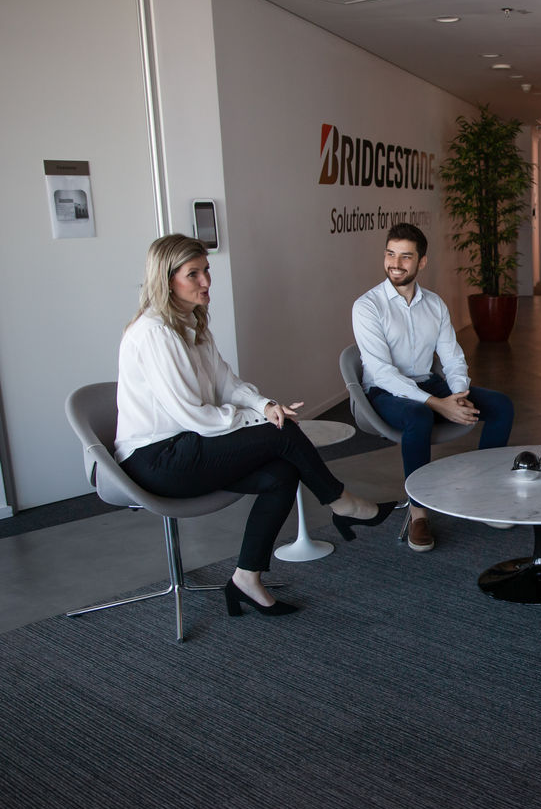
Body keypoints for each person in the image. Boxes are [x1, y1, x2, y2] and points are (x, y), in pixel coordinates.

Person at [116, 235, 394, 618]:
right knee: (281, 434)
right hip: (156, 459)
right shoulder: (154, 333)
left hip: (188, 447)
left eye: (206, 271)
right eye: (193, 274)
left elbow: (226, 383)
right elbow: (193, 415)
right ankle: (342, 502)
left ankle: (246, 578)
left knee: (281, 473)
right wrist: (260, 419)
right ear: (166, 280)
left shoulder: (191, 325)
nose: (205, 282)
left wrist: (264, 404)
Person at [352, 222, 514, 552]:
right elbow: (382, 373)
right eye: (390, 254)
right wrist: (439, 405)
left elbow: (453, 357)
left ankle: (485, 495)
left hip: (429, 383)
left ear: (421, 262)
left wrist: (459, 395)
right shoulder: (367, 306)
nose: (395, 263)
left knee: (502, 406)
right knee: (418, 417)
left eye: (405, 257)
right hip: (384, 393)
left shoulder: (435, 304)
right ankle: (418, 512)